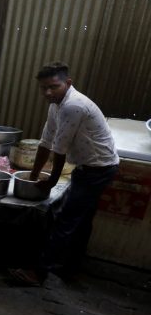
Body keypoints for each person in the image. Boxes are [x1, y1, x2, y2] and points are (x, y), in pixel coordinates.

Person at [9, 62, 119, 286]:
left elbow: (59, 151)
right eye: (43, 88)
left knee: (64, 220)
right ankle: (71, 268)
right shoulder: (56, 105)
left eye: (53, 86)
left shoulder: (73, 105)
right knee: (81, 220)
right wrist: (33, 175)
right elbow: (46, 142)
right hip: (89, 166)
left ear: (68, 83)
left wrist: (51, 181)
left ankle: (39, 273)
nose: (48, 92)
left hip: (98, 168)